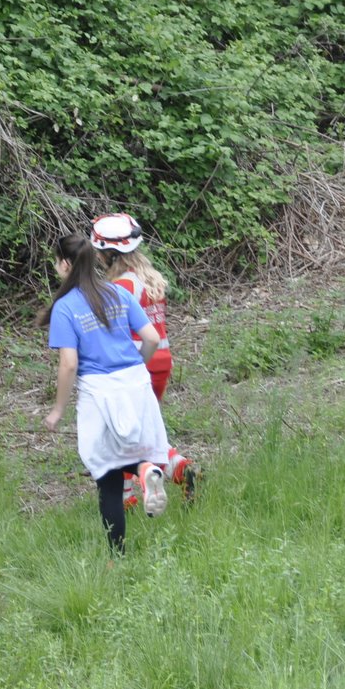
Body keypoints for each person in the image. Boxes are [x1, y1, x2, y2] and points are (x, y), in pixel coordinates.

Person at [41, 234, 171, 553]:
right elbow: (151, 338)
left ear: (66, 264)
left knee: (106, 473)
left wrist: (58, 409)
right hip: (135, 384)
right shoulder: (117, 292)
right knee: (129, 456)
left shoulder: (65, 307)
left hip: (100, 393)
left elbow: (69, 364)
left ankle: (117, 557)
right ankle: (145, 470)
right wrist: (135, 370)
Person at [89, 213, 198, 506]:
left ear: (109, 255)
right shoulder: (151, 279)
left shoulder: (120, 288)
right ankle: (181, 469)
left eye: (99, 253)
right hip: (162, 360)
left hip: (140, 363)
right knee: (143, 432)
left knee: (120, 436)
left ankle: (127, 502)